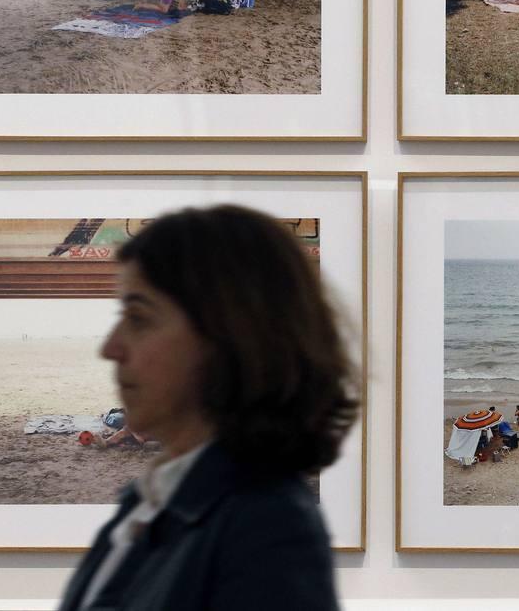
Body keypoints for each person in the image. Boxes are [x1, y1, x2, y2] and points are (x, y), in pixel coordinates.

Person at [56, 205, 358, 611]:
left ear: (228, 339)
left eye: (139, 317)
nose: (110, 347)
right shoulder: (149, 500)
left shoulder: (266, 531)